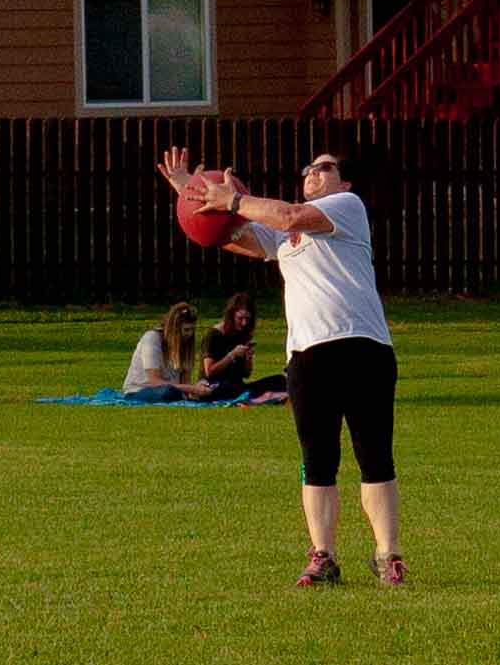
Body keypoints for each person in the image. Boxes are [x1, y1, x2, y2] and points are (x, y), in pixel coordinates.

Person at [158, 147, 407, 588]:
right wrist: (192, 197)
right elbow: (228, 235)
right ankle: (323, 557)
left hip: (363, 347)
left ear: (345, 182)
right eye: (308, 168)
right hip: (308, 356)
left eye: (324, 167)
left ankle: (388, 557)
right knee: (318, 462)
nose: (313, 172)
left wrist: (233, 199)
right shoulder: (283, 235)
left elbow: (289, 215)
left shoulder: (346, 207)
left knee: (374, 458)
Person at [200, 292, 287, 400]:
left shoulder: (242, 334)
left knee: (281, 380)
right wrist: (232, 355)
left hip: (237, 386)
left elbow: (246, 374)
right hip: (215, 386)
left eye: (247, 319)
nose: (244, 323)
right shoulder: (213, 335)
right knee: (236, 389)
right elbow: (209, 372)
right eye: (240, 318)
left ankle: (258, 394)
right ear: (231, 316)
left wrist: (248, 358)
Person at [122, 302, 213, 402]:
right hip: (140, 390)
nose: (190, 334)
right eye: (186, 330)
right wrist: (191, 388)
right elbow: (155, 382)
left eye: (192, 329)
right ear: (174, 329)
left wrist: (197, 389)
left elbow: (185, 382)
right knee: (168, 392)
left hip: (172, 390)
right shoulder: (152, 338)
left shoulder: (186, 346)